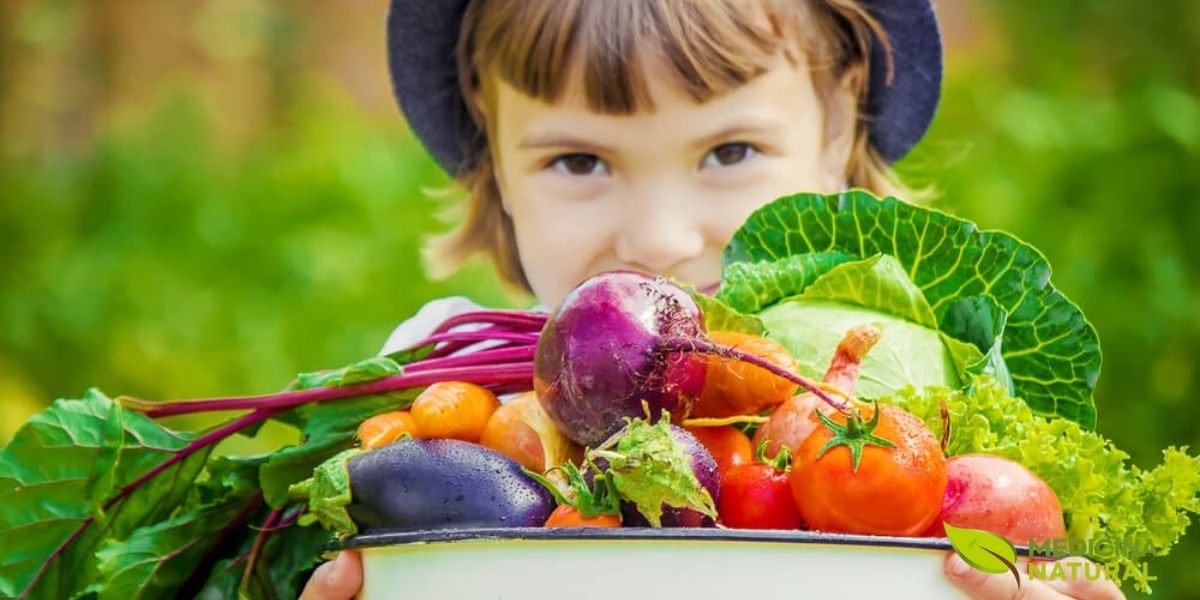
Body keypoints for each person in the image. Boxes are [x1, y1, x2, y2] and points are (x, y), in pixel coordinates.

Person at [301, 1, 1124, 598]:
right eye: (580, 162)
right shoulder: (437, 379)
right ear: (495, 148)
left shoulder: (936, 429)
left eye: (729, 150)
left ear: (838, 123)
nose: (660, 240)